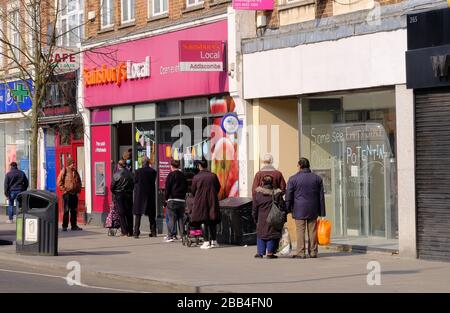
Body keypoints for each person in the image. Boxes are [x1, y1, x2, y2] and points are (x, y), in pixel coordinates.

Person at [285, 157, 326, 259]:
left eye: (298, 165)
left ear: (300, 166)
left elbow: (288, 195)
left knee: (300, 230)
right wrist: (322, 212)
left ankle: (301, 252)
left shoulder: (293, 179)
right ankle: (313, 252)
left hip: (299, 209)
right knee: (312, 230)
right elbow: (321, 197)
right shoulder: (317, 178)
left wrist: (287, 208)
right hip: (313, 208)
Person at [253, 175, 286, 259]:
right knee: (272, 234)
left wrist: (255, 218)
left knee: (261, 234)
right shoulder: (277, 194)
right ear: (272, 183)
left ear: (262, 182)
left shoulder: (258, 194)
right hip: (273, 217)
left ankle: (260, 253)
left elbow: (255, 208)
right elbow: (282, 206)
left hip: (261, 217)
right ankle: (270, 253)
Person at [191, 159, 221, 249]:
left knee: (203, 220)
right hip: (212, 200)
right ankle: (214, 241)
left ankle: (206, 241)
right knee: (212, 220)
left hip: (201, 201)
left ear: (199, 166)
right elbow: (218, 187)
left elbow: (193, 190)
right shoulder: (213, 176)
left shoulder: (196, 177)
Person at [133, 156, 157, 238]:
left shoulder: (138, 171)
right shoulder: (153, 172)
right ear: (148, 162)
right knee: (151, 215)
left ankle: (136, 232)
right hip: (150, 195)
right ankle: (153, 232)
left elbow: (134, 181)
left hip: (140, 195)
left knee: (138, 214)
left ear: (142, 163)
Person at [164, 159, 187, 242]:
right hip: (181, 200)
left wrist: (166, 199)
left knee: (171, 218)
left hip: (172, 199)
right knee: (181, 218)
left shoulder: (170, 175)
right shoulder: (183, 175)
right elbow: (186, 187)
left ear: (171, 166)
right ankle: (182, 235)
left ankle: (171, 236)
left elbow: (167, 188)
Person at [57, 157, 82, 231]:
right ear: (69, 163)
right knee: (66, 210)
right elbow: (59, 182)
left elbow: (79, 182)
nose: (74, 164)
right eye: (72, 163)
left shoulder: (75, 171)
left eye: (74, 163)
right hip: (67, 194)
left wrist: (78, 190)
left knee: (74, 210)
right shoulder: (64, 170)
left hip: (74, 194)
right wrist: (64, 189)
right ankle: (64, 226)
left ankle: (74, 226)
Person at [111, 159, 134, 237]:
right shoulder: (131, 174)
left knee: (121, 213)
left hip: (119, 194)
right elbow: (134, 184)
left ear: (119, 165)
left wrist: (115, 192)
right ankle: (130, 231)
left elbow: (112, 186)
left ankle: (124, 231)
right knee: (129, 213)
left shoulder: (116, 174)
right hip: (129, 194)